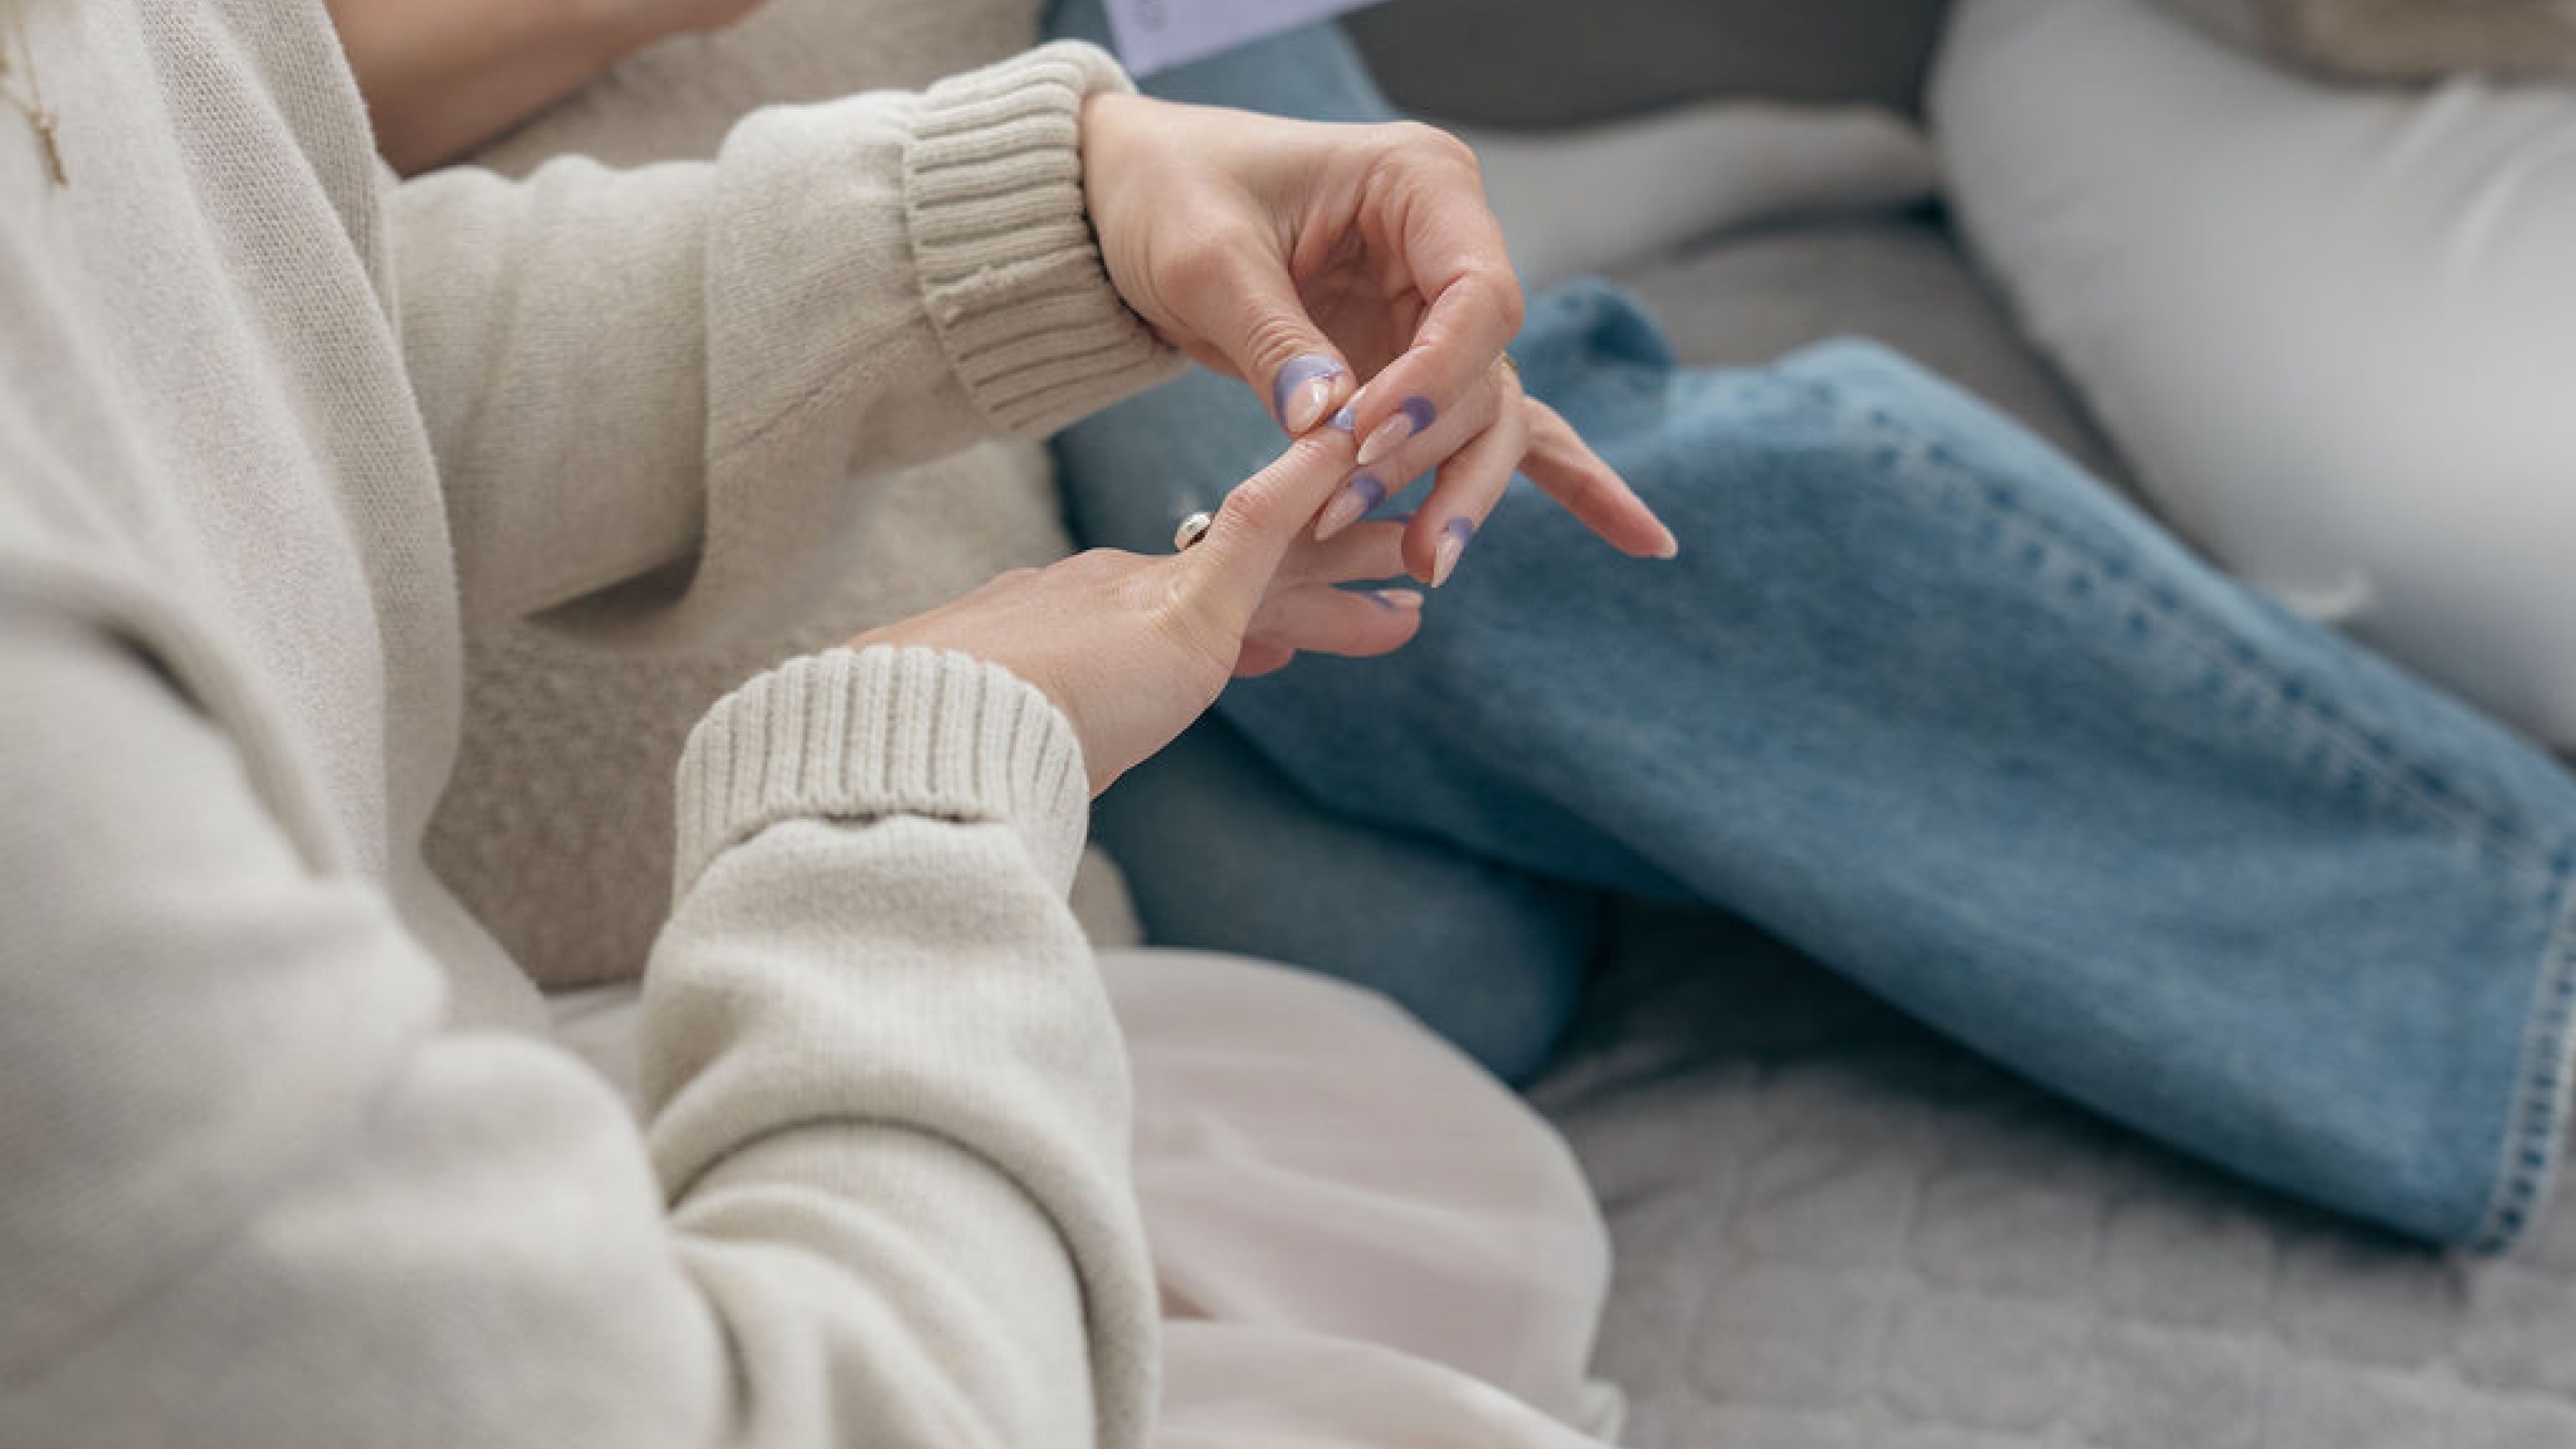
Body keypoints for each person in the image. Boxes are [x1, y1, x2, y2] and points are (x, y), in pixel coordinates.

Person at [324, 0, 2576, 1255]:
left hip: (1052, 48)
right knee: (1428, 974)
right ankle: (1571, 203)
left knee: (1481, 559)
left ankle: (2509, 976)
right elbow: (282, 95)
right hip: (751, 124)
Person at [0, 1, 1685, 1442]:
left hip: (424, 1111)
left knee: (1389, 1129)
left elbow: (269, 341)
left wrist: (1030, 218)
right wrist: (924, 780)